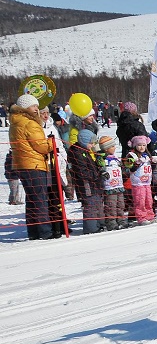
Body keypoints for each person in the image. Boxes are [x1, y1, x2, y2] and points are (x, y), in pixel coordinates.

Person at [10, 94, 58, 240]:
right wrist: (51, 143)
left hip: (22, 164)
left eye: (37, 106)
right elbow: (41, 146)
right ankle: (45, 231)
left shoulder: (15, 122)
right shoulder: (29, 123)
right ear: (25, 108)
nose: (37, 110)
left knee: (31, 199)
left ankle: (33, 231)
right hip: (34, 164)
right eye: (34, 107)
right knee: (40, 198)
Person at [67, 130, 105, 234]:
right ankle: (91, 228)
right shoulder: (77, 152)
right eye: (91, 143)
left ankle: (99, 224)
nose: (93, 145)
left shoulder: (85, 151)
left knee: (97, 203)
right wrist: (96, 175)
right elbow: (81, 171)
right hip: (85, 184)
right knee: (90, 205)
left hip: (93, 182)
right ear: (84, 142)